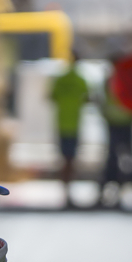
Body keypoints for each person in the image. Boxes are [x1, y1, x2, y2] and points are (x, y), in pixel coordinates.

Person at [49, 52, 89, 207]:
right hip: (74, 124)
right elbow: (88, 98)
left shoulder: (60, 78)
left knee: (64, 160)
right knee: (71, 161)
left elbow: (51, 97)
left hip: (61, 123)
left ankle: (65, 193)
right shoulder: (81, 80)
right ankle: (68, 194)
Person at [100, 69, 132, 204]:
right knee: (113, 159)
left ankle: (125, 188)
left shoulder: (123, 79)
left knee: (125, 159)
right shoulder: (110, 80)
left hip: (123, 122)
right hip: (115, 122)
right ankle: (110, 189)